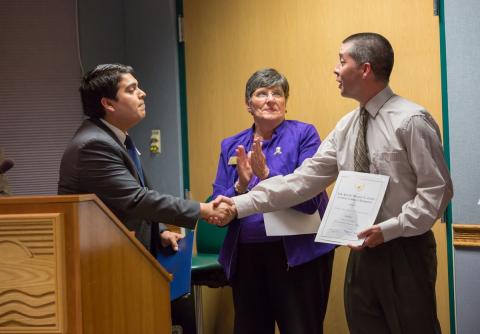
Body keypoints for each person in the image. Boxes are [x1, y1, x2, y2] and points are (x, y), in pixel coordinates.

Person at [215, 33, 453, 334]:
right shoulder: (347, 126)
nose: (336, 69)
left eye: (342, 61)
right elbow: (303, 181)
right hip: (361, 250)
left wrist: (390, 228)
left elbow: (437, 192)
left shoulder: (411, 120)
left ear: (364, 69)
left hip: (403, 248)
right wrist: (237, 204)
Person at [58, 63, 231, 255]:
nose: (142, 93)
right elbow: (136, 199)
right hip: (100, 259)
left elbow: (127, 200)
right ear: (108, 104)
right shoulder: (94, 145)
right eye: (131, 90)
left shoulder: (113, 138)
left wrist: (161, 232)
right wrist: (203, 209)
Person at [213, 68, 335, 334]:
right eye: (261, 93)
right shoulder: (231, 145)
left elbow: (309, 199)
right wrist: (241, 184)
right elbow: (217, 209)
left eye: (277, 93)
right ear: (248, 104)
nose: (271, 99)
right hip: (247, 257)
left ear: (285, 102)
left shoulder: (304, 134)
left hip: (297, 255)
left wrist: (267, 175)